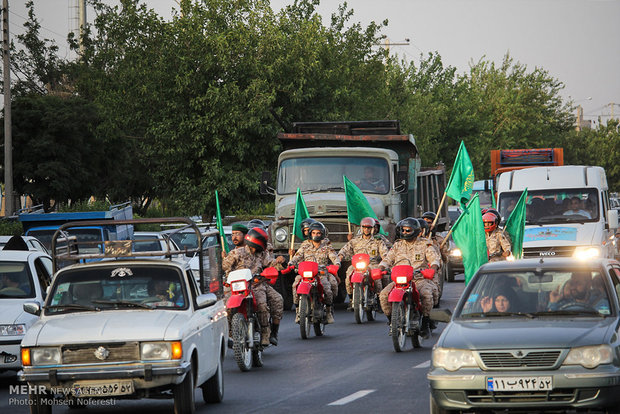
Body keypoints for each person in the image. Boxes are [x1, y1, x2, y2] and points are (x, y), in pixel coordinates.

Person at [378, 217, 440, 338]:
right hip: (399, 280)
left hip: (418, 279)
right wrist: (381, 268)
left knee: (426, 294)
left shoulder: (425, 244)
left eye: (408, 230)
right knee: (384, 295)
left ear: (416, 231)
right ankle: (392, 321)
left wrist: (433, 268)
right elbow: (388, 259)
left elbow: (434, 259)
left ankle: (426, 323)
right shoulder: (397, 245)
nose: (405, 233)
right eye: (404, 230)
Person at [222, 227, 284, 346]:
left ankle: (267, 332)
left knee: (265, 304)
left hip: (257, 284)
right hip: (238, 286)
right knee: (227, 307)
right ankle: (231, 333)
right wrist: (225, 260)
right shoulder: (236, 253)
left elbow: (270, 264)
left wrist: (279, 261)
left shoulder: (262, 253)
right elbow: (225, 267)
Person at [289, 221, 340, 324]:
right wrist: (291, 263)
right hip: (305, 275)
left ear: (322, 234)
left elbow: (335, 258)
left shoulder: (327, 247)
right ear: (310, 234)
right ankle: (299, 311)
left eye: (318, 233)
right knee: (295, 286)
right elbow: (296, 257)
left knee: (328, 289)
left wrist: (336, 265)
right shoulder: (304, 247)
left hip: (321, 274)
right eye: (313, 233)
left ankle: (329, 311)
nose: (316, 235)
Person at [337, 216, 389, 311]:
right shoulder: (355, 240)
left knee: (377, 278)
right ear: (361, 228)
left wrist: (385, 260)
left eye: (368, 227)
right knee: (348, 276)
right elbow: (345, 250)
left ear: (372, 229)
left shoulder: (378, 241)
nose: (366, 229)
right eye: (364, 227)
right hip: (357, 265)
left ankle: (378, 298)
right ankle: (352, 298)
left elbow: (385, 253)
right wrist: (340, 256)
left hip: (372, 264)